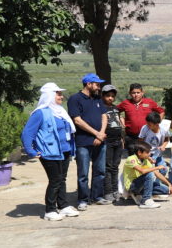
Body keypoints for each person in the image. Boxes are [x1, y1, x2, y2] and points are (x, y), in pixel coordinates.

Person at [21, 83, 79, 221]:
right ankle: (50, 210)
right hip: (49, 152)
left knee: (62, 179)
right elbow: (27, 133)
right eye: (58, 94)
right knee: (55, 180)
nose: (61, 96)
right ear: (50, 95)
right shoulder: (41, 113)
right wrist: (30, 150)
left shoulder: (60, 111)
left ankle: (63, 206)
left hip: (64, 151)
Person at [67, 73, 108, 209]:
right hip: (83, 142)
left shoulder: (98, 99)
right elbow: (77, 120)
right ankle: (83, 199)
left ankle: (97, 196)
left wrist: (101, 134)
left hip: (100, 140)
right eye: (97, 84)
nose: (99, 86)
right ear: (88, 84)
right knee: (83, 173)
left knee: (100, 170)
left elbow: (104, 116)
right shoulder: (75, 99)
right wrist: (96, 134)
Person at [122, 141, 172, 208]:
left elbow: (157, 173)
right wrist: (157, 167)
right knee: (149, 173)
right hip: (133, 186)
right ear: (139, 153)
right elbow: (143, 171)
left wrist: (169, 184)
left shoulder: (145, 160)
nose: (149, 154)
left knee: (166, 190)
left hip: (143, 185)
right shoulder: (131, 159)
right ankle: (145, 201)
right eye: (147, 152)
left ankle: (141, 194)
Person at [117, 83, 165, 154]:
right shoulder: (125, 103)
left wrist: (156, 123)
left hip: (147, 136)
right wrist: (121, 120)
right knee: (133, 158)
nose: (136, 95)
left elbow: (161, 111)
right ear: (130, 93)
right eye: (133, 93)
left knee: (146, 158)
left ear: (142, 93)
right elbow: (115, 111)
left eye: (138, 92)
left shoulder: (149, 102)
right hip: (131, 137)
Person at [100, 84, 127, 203]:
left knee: (115, 166)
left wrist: (122, 138)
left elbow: (120, 122)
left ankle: (115, 190)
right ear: (103, 96)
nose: (110, 98)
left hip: (117, 140)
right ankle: (107, 191)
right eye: (107, 96)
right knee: (108, 166)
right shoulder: (100, 108)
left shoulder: (116, 109)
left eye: (112, 96)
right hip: (107, 141)